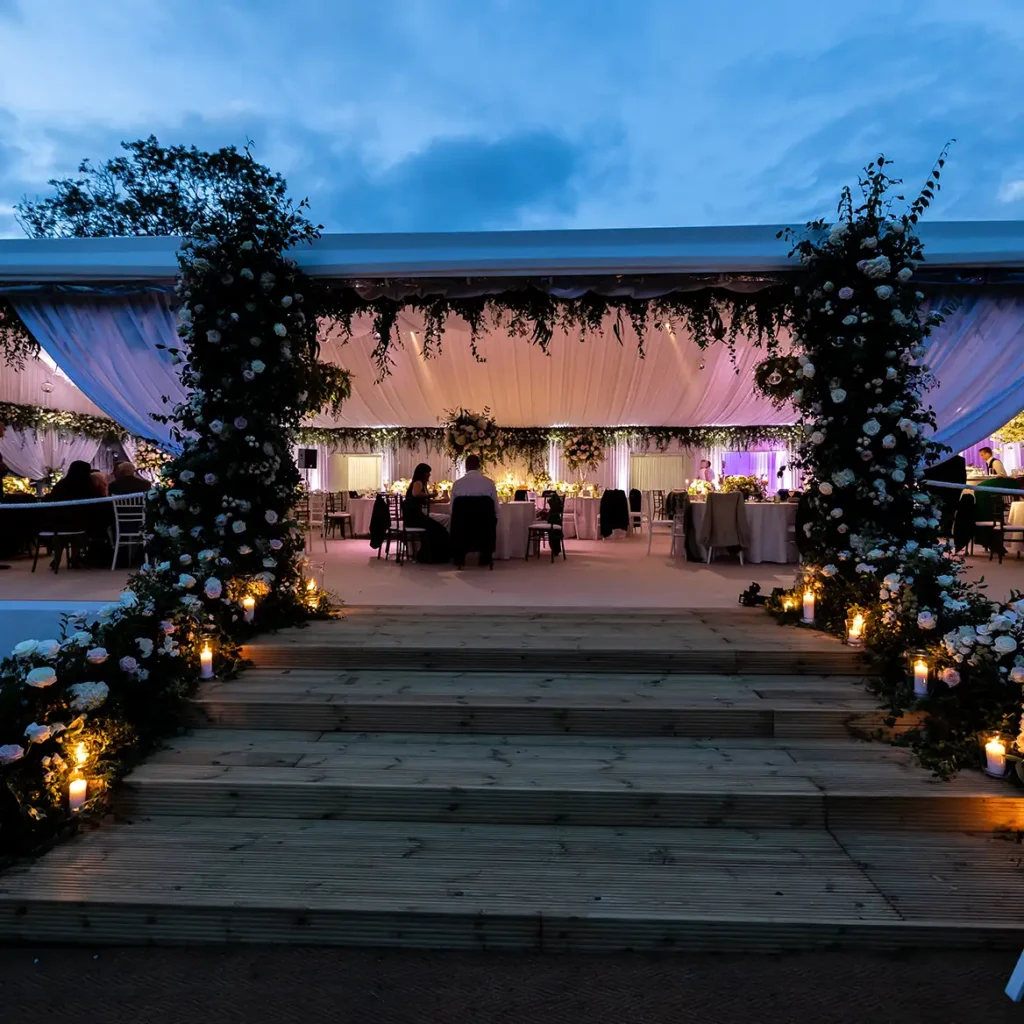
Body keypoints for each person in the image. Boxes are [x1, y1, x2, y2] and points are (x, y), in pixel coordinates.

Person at [403, 463, 452, 563]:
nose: (429, 475)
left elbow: (422, 500)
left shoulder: (419, 483)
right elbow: (416, 494)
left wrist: (437, 500)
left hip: (415, 516)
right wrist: (431, 495)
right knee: (440, 529)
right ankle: (437, 555)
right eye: (428, 473)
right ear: (423, 473)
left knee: (438, 528)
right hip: (415, 517)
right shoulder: (418, 482)